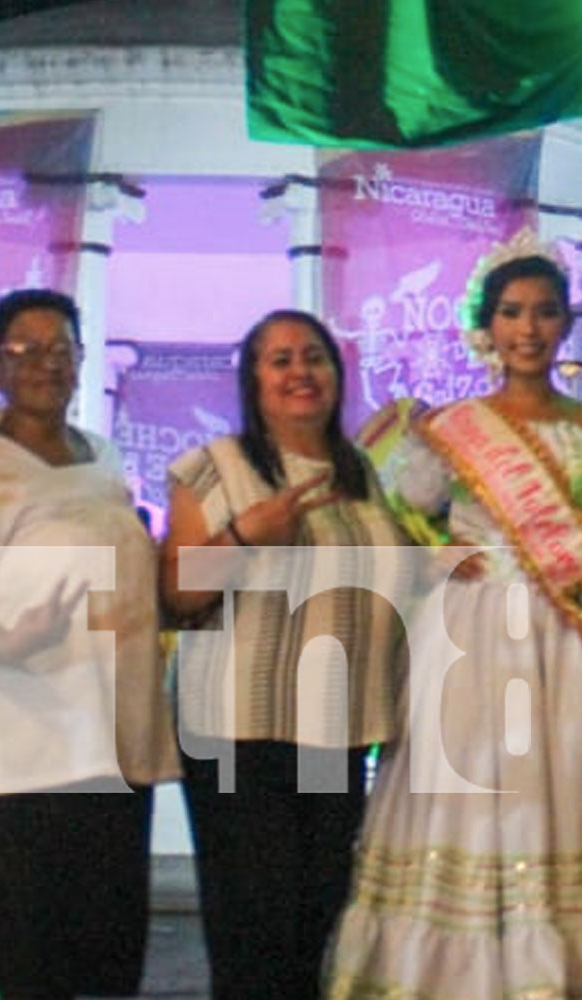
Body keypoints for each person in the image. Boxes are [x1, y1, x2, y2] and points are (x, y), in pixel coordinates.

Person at [324, 233, 582, 1000]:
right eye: (513, 313)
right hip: (473, 635)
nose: (528, 329)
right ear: (486, 326)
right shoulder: (446, 431)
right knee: (467, 797)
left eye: (545, 312)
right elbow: (395, 530)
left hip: (572, 643)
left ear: (565, 324)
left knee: (565, 791)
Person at [0, 289, 179, 998]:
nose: (47, 364)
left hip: (112, 736)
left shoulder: (101, 455)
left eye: (61, 348)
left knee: (94, 955)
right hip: (22, 748)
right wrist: (10, 640)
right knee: (21, 958)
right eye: (25, 350)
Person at [161, 309, 407, 999]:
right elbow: (178, 593)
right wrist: (245, 534)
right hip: (240, 732)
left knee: (316, 923)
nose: (300, 371)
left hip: (336, 731)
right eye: (280, 360)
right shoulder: (216, 468)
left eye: (314, 356)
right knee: (254, 930)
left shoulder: (367, 474)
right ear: (253, 381)